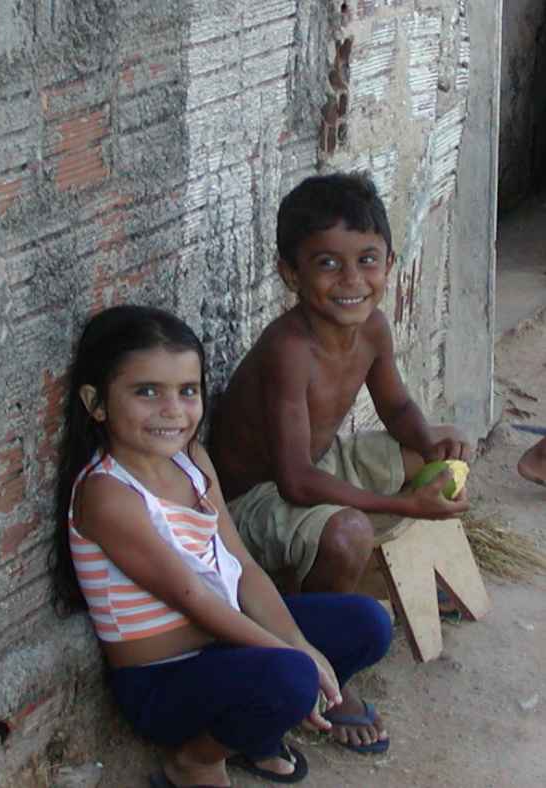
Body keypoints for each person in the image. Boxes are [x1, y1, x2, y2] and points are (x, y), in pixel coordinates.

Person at [52, 305, 393, 788]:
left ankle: (254, 730)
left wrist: (299, 644)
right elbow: (193, 600)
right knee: (291, 677)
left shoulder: (192, 460)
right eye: (147, 392)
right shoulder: (107, 493)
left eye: (187, 391)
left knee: (368, 623)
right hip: (162, 684)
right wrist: (293, 656)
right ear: (96, 402)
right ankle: (196, 759)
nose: (172, 410)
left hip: (223, 648)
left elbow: (242, 566)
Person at [208, 172, 472, 749]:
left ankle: (403, 579)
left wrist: (431, 445)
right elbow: (297, 482)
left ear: (390, 260)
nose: (352, 281)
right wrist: (405, 504)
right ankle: (319, 663)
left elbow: (398, 406)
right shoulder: (289, 349)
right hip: (252, 501)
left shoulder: (373, 327)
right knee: (349, 532)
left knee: (432, 444)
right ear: (290, 273)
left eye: (368, 260)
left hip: (318, 464)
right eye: (328, 264)